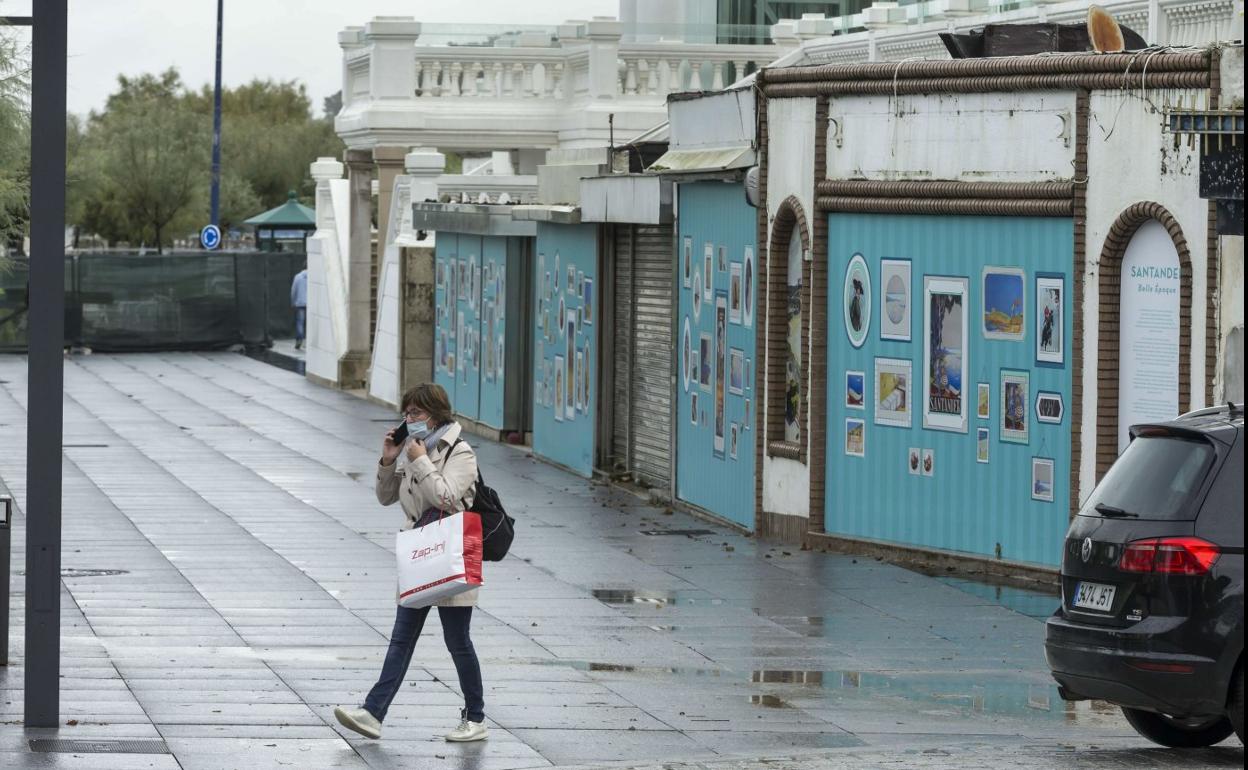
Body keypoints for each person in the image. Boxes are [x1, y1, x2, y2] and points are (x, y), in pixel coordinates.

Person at [334, 383, 487, 743]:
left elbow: (446, 497)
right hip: (419, 554)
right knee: (401, 638)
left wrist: (419, 460)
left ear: (436, 414)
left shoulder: (459, 452)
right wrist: (389, 458)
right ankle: (373, 713)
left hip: (450, 553)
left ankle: (476, 718)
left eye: (416, 413)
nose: (410, 420)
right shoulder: (412, 450)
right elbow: (386, 497)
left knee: (457, 640)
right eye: (407, 413)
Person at [290, 266, 308, 350]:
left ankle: (299, 339)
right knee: (310, 323)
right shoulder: (313, 277)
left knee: (300, 322)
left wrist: (293, 301)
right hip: (310, 303)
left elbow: (293, 290)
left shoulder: (298, 277)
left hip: (300, 303)